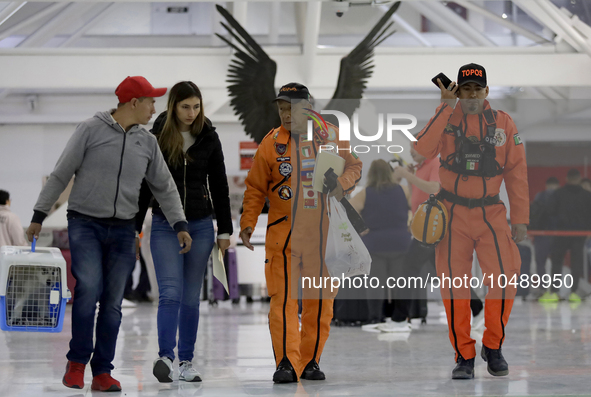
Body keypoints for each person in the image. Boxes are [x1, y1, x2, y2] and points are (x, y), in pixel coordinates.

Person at [26, 76, 192, 392]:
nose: (154, 108)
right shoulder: (90, 129)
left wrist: (180, 224)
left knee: (113, 302)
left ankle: (102, 370)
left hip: (122, 229)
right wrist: (38, 215)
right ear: (134, 103)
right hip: (84, 223)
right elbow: (61, 172)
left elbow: (164, 186)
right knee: (89, 289)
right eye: (151, 101)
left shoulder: (147, 142)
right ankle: (76, 363)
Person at [239, 83, 362, 383]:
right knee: (283, 301)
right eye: (281, 108)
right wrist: (247, 223)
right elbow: (255, 188)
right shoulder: (270, 144)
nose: (285, 114)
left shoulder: (331, 136)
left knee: (319, 302)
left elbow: (355, 166)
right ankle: (285, 362)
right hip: (283, 236)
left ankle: (310, 361)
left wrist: (342, 183)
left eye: (291, 108)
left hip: (323, 234)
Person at [414, 63, 529, 379]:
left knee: (504, 280)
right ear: (458, 91)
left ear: (487, 91)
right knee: (454, 287)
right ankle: (463, 355)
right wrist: (444, 107)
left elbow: (517, 173)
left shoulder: (503, 124)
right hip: (452, 215)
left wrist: (520, 218)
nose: (472, 95)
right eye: (466, 89)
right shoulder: (446, 117)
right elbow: (421, 149)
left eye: (478, 89)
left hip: (491, 214)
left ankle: (493, 346)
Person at [135, 81, 233, 383]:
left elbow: (219, 185)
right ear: (173, 106)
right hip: (164, 223)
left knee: (191, 297)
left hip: (202, 225)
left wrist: (225, 230)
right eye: (185, 106)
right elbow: (143, 185)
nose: (192, 113)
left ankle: (186, 361)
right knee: (170, 294)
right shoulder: (158, 136)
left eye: (196, 106)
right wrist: (134, 227)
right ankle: (165, 355)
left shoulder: (209, 137)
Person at [393, 148, 485, 328]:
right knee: (447, 274)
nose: (411, 153)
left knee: (408, 269)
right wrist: (409, 177)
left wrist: (407, 175)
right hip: (425, 228)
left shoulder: (436, 163)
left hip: (432, 228)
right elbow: (417, 197)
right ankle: (478, 308)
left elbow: (435, 188)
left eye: (414, 149)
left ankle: (398, 320)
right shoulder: (419, 168)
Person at [349, 159, 412, 331]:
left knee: (375, 284)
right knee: (400, 283)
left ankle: (375, 319)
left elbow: (348, 209)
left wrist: (362, 228)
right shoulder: (403, 190)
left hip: (375, 244)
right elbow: (416, 209)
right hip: (401, 243)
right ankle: (400, 320)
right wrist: (408, 227)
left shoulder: (365, 193)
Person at [546, 169, 591, 301]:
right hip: (579, 234)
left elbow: (550, 212)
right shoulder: (586, 195)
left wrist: (554, 227)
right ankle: (574, 292)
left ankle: (555, 292)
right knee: (576, 262)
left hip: (561, 233)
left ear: (566, 178)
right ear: (579, 179)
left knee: (557, 262)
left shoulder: (558, 194)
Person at [528, 176, 559, 301]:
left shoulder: (539, 196)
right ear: (557, 185)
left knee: (541, 263)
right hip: (557, 234)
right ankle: (555, 290)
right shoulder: (560, 196)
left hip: (541, 234)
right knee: (557, 263)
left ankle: (543, 289)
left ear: (546, 185)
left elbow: (533, 213)